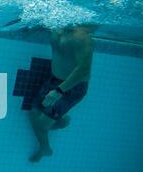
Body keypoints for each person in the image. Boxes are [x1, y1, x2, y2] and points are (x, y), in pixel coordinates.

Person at [29, 24, 95, 162]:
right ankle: (59, 122)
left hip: (71, 87)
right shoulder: (59, 25)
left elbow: (84, 70)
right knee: (34, 113)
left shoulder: (81, 37)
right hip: (53, 80)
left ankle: (45, 149)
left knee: (41, 124)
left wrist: (58, 91)